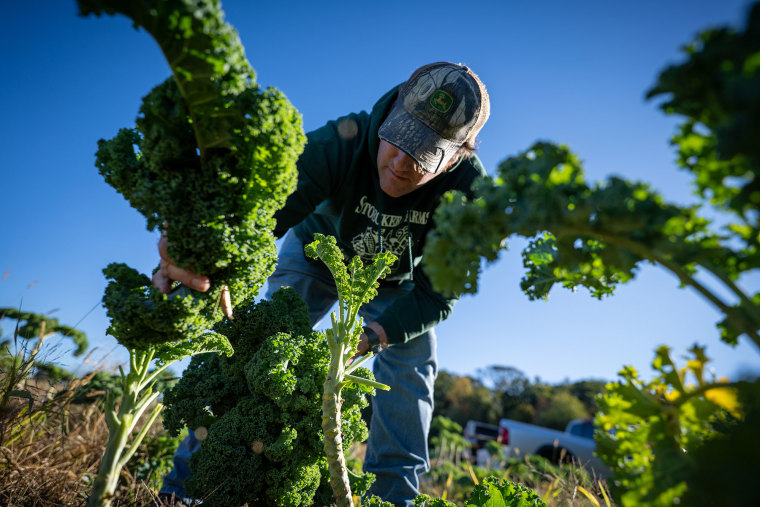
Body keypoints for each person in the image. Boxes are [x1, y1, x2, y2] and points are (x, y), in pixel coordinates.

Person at [156, 61, 490, 506]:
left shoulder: (469, 196)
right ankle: (184, 490)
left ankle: (391, 499)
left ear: (456, 157)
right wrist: (202, 253)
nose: (401, 162)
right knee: (260, 354)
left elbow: (437, 296)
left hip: (397, 283)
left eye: (424, 155)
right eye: (399, 138)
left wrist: (373, 336)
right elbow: (262, 216)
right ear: (388, 114)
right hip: (316, 254)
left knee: (411, 374)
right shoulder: (341, 142)